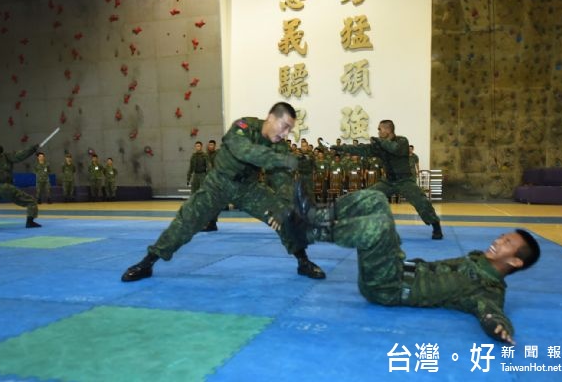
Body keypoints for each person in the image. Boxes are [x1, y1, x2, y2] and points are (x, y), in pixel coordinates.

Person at [121, 102, 325, 282]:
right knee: (186, 220)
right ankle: (148, 262)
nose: (286, 134)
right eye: (285, 127)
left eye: (290, 130)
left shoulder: (279, 147)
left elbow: (283, 180)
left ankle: (303, 262)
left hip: (248, 188)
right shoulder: (243, 128)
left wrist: (283, 206)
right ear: (271, 118)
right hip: (218, 183)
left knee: (285, 216)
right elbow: (245, 151)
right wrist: (283, 160)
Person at [303, 189, 540, 344]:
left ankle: (307, 232)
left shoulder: (489, 290)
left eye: (507, 243)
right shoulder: (478, 259)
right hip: (397, 267)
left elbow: (490, 312)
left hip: (389, 288)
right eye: (502, 236)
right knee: (377, 199)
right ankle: (316, 214)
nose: (498, 241)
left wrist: (499, 327)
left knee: (380, 226)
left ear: (515, 261)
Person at [333, 120, 444, 239]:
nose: (378, 132)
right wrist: (340, 148)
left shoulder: (402, 141)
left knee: (421, 202)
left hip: (405, 181)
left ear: (387, 130)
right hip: (388, 181)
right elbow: (362, 149)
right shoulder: (380, 145)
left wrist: (380, 141)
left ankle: (436, 226)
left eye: (380, 129)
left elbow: (394, 149)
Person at [202, 139, 219, 232]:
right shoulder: (205, 156)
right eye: (209, 145)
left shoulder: (218, 155)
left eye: (212, 145)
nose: (210, 146)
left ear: (215, 146)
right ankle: (210, 223)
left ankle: (212, 224)